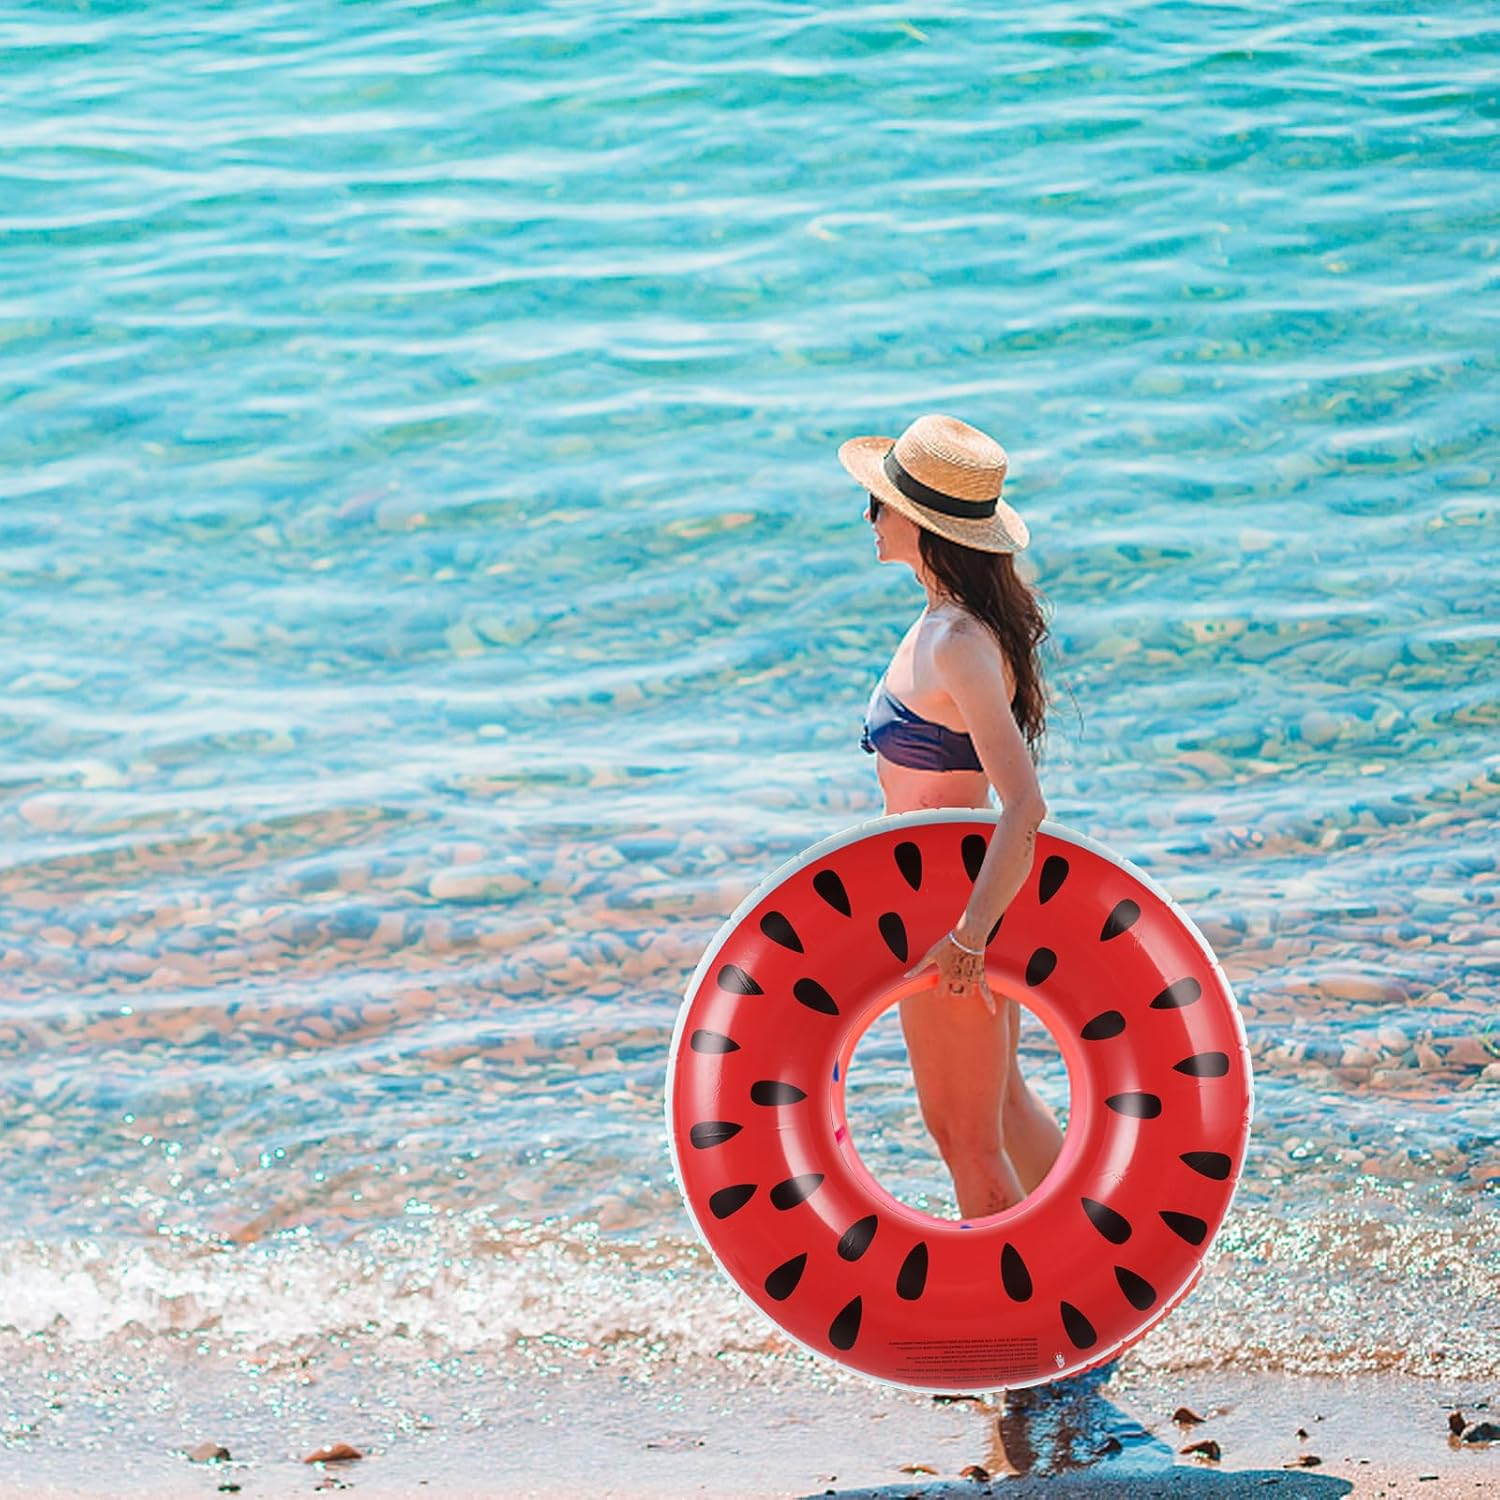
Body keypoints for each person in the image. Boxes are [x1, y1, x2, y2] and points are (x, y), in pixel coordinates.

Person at [839, 412, 1065, 1220]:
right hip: (952, 896)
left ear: (923, 526)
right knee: (1004, 1112)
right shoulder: (947, 623)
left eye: (880, 505)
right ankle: (1097, 1292)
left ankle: (1025, 1336)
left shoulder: (957, 641)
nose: (869, 517)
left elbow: (1025, 803)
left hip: (945, 912)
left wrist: (969, 937)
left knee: (965, 1139)